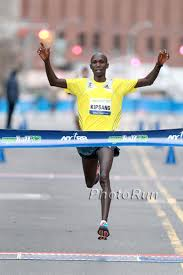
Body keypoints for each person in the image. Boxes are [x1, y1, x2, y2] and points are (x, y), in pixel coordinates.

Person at [37, 42, 169, 240]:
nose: (98, 64)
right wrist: (47, 61)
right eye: (95, 62)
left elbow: (147, 81)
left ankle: (103, 222)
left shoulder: (117, 85)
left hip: (107, 138)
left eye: (101, 62)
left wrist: (158, 65)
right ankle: (95, 173)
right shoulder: (81, 85)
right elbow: (54, 81)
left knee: (106, 178)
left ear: (107, 66)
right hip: (87, 140)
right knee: (91, 183)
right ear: (91, 67)